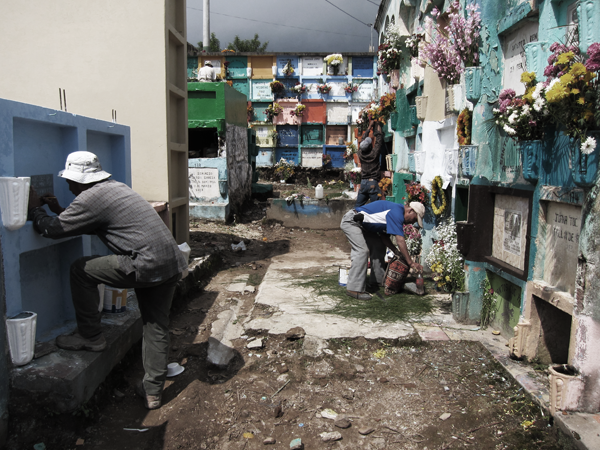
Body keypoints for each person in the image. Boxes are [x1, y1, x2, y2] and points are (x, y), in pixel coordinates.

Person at [27, 151, 188, 410]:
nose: (68, 187)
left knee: (81, 270)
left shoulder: (91, 197)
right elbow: (96, 221)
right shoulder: (115, 188)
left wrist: (35, 208)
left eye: (70, 182)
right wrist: (59, 210)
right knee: (155, 325)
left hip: (143, 264)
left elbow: (51, 230)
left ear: (80, 181)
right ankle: (153, 391)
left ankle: (90, 336)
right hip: (170, 262)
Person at [340, 200, 425, 300]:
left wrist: (396, 252)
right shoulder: (397, 212)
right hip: (352, 221)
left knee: (378, 245)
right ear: (410, 211)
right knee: (362, 250)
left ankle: (377, 281)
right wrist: (410, 263)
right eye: (414, 219)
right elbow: (400, 240)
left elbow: (384, 237)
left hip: (364, 226)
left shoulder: (395, 212)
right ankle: (354, 289)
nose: (413, 222)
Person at [355, 119, 384, 207]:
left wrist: (368, 127)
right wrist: (377, 124)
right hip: (373, 183)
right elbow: (379, 139)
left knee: (357, 207)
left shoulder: (360, 153)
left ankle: (353, 219)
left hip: (363, 183)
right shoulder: (374, 154)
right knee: (377, 208)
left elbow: (362, 141)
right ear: (370, 146)